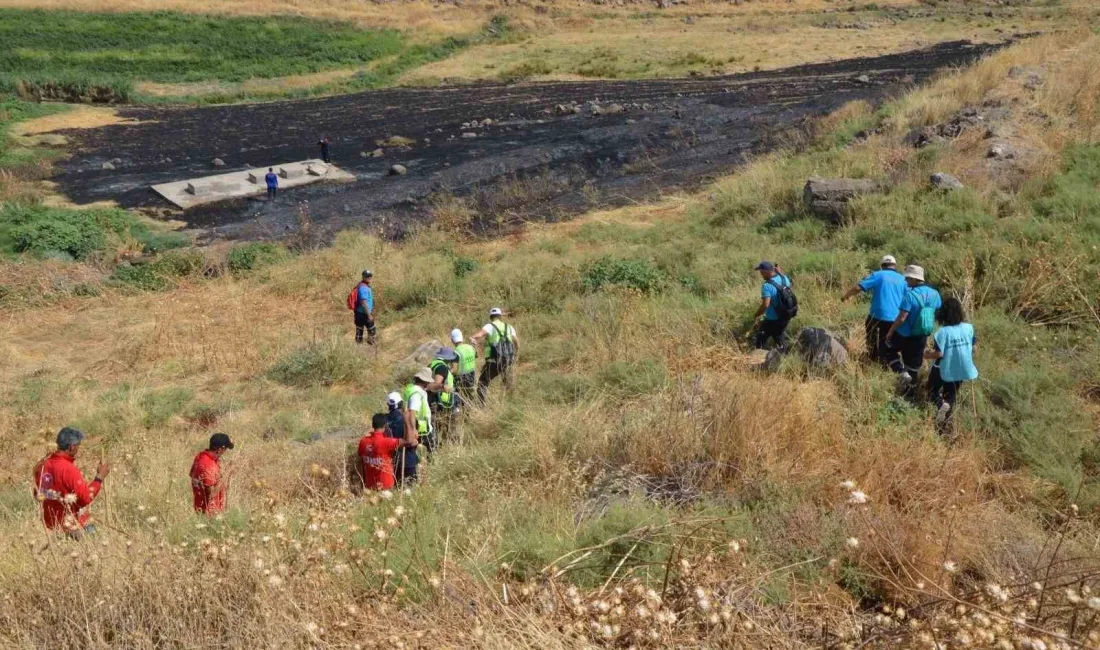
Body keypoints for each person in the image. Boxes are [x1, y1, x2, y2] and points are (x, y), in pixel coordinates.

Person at [32, 427, 109, 539]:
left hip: (51, 528)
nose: (78, 449)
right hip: (74, 526)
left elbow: (37, 494)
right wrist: (99, 478)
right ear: (72, 447)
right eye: (78, 446)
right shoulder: (68, 469)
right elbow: (86, 497)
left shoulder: (42, 465)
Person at [884, 264, 943, 398]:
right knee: (914, 366)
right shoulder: (935, 294)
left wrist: (891, 332)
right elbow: (937, 311)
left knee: (888, 351)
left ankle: (901, 372)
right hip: (922, 335)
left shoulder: (910, 295)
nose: (906, 281)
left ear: (914, 279)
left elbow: (902, 318)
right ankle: (909, 396)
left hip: (904, 334)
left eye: (908, 279)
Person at [925, 297, 978, 434]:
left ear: (943, 313)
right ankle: (942, 428)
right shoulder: (968, 328)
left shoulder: (942, 332)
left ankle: (940, 405)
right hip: (962, 369)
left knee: (931, 391)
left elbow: (939, 354)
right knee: (951, 395)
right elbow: (974, 349)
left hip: (944, 369)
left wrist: (926, 354)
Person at [841, 255, 907, 364]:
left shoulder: (878, 275)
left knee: (872, 338)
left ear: (882, 266)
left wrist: (846, 296)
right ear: (894, 266)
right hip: (895, 318)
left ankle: (872, 359)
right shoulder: (903, 279)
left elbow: (858, 287)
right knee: (887, 341)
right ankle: (886, 362)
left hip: (877, 316)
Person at [470, 307, 519, 403]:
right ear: (500, 316)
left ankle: (481, 406)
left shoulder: (489, 326)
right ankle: (506, 404)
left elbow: (479, 335)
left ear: (491, 317)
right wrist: (515, 355)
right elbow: (517, 343)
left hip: (494, 361)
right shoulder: (509, 327)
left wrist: (472, 338)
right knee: (507, 383)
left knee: (482, 383)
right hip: (509, 360)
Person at [359, 413, 417, 491]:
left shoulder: (363, 442)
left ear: (372, 425)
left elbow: (361, 461)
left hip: (370, 486)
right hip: (386, 486)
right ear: (385, 426)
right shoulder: (386, 442)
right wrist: (407, 421)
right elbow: (409, 442)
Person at [751, 261, 793, 351]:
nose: (761, 275)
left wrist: (756, 315)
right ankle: (784, 354)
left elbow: (766, 304)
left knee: (760, 338)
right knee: (778, 334)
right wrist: (780, 272)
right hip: (786, 315)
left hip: (772, 319)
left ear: (766, 271)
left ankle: (758, 356)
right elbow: (788, 285)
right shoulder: (784, 278)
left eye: (761, 272)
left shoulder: (767, 286)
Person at [190, 433, 234, 515]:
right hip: (210, 512)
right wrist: (227, 474)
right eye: (225, 449)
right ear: (220, 449)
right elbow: (211, 495)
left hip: (198, 506)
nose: (224, 452)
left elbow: (191, 474)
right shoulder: (209, 465)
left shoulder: (200, 457)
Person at [385, 392, 418, 484]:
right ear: (401, 403)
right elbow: (413, 440)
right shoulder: (407, 418)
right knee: (411, 487)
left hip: (392, 459)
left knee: (397, 486)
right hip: (408, 459)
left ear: (388, 404)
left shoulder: (384, 419)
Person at [403, 368, 435, 453]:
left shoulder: (412, 388)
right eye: (428, 382)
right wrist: (413, 429)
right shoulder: (417, 394)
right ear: (424, 381)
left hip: (420, 427)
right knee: (430, 449)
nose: (429, 383)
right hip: (421, 429)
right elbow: (412, 412)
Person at [451, 329, 478, 403]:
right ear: (462, 337)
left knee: (460, 399)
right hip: (472, 377)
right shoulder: (471, 347)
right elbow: (476, 355)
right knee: (470, 399)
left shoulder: (455, 352)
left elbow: (454, 369)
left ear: (452, 340)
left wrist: (447, 372)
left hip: (460, 381)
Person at [353, 270, 376, 345]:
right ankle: (372, 346)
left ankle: (359, 346)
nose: (369, 277)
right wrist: (369, 315)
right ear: (363, 277)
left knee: (359, 330)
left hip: (359, 312)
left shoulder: (361, 285)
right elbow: (363, 303)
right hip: (364, 313)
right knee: (371, 330)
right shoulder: (363, 288)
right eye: (367, 276)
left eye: (370, 276)